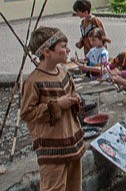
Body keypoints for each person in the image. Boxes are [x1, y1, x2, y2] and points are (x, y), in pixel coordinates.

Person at [20, 26, 85, 191]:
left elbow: (72, 95)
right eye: (63, 47)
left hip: (73, 145)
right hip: (53, 151)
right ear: (47, 52)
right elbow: (27, 113)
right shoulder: (34, 81)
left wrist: (75, 100)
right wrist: (56, 105)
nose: (68, 50)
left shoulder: (63, 72)